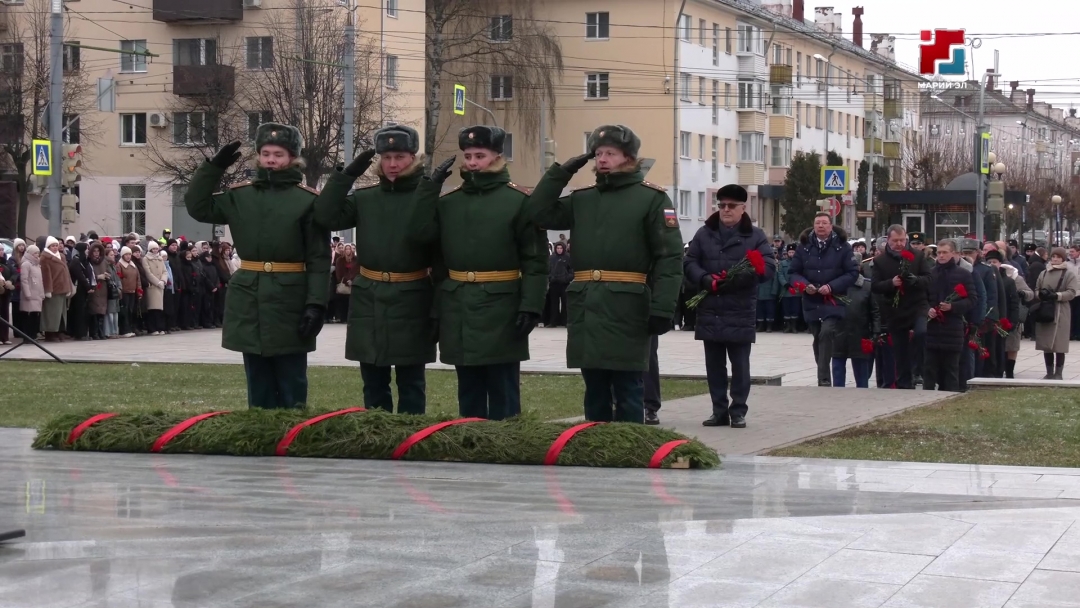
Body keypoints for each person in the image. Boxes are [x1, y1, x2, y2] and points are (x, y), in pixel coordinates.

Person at [526, 124, 683, 424]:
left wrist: (663, 307)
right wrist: (560, 173)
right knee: (594, 387)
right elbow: (537, 213)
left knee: (627, 386)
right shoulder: (582, 199)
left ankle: (630, 450)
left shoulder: (651, 199)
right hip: (588, 303)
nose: (602, 159)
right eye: (598, 153)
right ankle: (595, 450)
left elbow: (669, 258)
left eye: (610, 153)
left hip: (629, 305)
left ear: (629, 157)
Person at [186, 124, 331, 409]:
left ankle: (291, 434)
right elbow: (197, 206)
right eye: (265, 153)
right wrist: (213, 169)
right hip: (249, 295)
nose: (271, 160)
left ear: (293, 158)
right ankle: (260, 434)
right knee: (257, 378)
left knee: (292, 378)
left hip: (290, 297)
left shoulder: (307, 201)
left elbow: (318, 258)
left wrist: (316, 303)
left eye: (278, 154)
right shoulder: (240, 196)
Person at [410, 125, 547, 420]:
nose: (472, 162)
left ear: (498, 156)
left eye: (480, 155)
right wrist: (429, 188)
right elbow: (421, 236)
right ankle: (470, 441)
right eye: (468, 155)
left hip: (502, 306)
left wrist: (532, 306)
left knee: (503, 385)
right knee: (468, 384)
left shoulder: (519, 202)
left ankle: (508, 445)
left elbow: (535, 263)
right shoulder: (449, 202)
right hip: (459, 304)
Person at [314, 124, 439, 415]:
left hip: (412, 295)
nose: (392, 164)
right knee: (372, 380)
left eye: (400, 157)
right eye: (386, 157)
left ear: (413, 157)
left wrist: (437, 308)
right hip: (369, 295)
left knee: (411, 381)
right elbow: (325, 215)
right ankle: (377, 434)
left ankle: (409, 438)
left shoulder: (428, 197)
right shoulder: (366, 197)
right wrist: (345, 176)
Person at [683, 184, 774, 428]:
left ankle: (738, 411)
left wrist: (738, 278)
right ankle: (718, 410)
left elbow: (768, 268)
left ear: (743, 208)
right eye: (721, 205)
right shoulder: (705, 233)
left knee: (740, 366)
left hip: (739, 308)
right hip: (711, 307)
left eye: (731, 206)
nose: (725, 210)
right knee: (714, 366)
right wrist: (705, 279)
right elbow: (689, 262)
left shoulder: (755, 236)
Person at [789, 213, 859, 386]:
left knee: (827, 332)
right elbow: (793, 273)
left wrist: (832, 286)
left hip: (833, 299)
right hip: (811, 299)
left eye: (824, 223)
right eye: (817, 223)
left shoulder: (842, 246)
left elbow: (852, 273)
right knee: (817, 337)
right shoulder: (804, 246)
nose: (821, 226)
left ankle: (824, 379)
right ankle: (823, 372)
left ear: (830, 226)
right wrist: (805, 285)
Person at [869, 225, 931, 390]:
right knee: (900, 349)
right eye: (895, 240)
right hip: (895, 309)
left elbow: (929, 279)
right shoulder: (880, 261)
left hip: (917, 305)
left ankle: (920, 369)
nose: (899, 244)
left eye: (902, 240)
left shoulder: (917, 256)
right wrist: (891, 283)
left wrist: (915, 280)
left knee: (921, 332)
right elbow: (875, 286)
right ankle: (904, 383)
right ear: (888, 240)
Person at [924, 240, 976, 392]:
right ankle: (925, 400)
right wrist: (927, 309)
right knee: (929, 370)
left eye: (945, 252)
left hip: (953, 329)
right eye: (939, 252)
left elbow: (972, 299)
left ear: (954, 254)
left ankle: (950, 397)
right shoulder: (930, 273)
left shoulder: (964, 274)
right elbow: (921, 299)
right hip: (932, 329)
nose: (941, 255)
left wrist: (953, 307)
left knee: (951, 370)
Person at [832, 258, 880, 388]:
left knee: (861, 372)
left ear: (859, 267)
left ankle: (862, 395)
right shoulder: (834, 285)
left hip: (860, 333)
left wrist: (876, 331)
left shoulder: (867, 286)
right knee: (837, 367)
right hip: (838, 333)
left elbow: (875, 311)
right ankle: (838, 395)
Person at [1034, 247, 1079, 379]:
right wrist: (1041, 295)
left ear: (1063, 258)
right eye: (1053, 257)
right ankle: (1049, 372)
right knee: (1046, 344)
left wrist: (1056, 295)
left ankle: (1058, 372)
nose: (1055, 259)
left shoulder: (1069, 274)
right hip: (1045, 310)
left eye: (1058, 257)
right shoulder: (1043, 273)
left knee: (1059, 344)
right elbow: (1037, 288)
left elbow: (1072, 292)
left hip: (1061, 311)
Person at [985, 249, 1027, 378]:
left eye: (995, 262)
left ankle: (1006, 372)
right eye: (989, 262)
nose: (992, 264)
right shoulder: (985, 277)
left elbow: (1014, 303)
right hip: (989, 320)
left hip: (1005, 320)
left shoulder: (1008, 281)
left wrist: (1013, 321)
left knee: (1005, 348)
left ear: (1000, 263)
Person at [40, 237, 72, 342]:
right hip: (53, 289)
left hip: (62, 288)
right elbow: (46, 275)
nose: (55, 247)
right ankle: (50, 333)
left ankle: (60, 331)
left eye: (56, 245)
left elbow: (66, 273)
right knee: (51, 313)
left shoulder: (61, 256)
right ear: (48, 247)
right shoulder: (45, 257)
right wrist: (48, 289)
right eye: (52, 246)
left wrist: (68, 287)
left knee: (61, 313)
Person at [18, 245, 43, 340]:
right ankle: (27, 336)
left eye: (38, 253)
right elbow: (24, 280)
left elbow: (41, 280)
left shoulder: (37, 265)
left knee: (35, 316)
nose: (37, 255)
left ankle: (33, 335)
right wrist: (27, 293)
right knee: (28, 316)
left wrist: (42, 293)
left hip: (37, 294)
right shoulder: (26, 264)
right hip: (29, 294)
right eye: (35, 253)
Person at [545, 242, 572, 327]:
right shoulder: (551, 258)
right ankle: (553, 322)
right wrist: (550, 277)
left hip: (564, 284)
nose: (559, 250)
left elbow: (572, 270)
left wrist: (567, 278)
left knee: (565, 303)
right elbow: (547, 270)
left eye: (561, 248)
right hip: (554, 284)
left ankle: (565, 321)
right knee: (554, 304)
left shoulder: (568, 257)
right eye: (558, 248)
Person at [776, 243, 800, 333]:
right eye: (789, 252)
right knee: (786, 309)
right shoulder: (782, 263)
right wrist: (785, 284)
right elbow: (780, 274)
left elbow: (800, 274)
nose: (791, 254)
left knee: (795, 309)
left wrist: (796, 284)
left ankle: (794, 327)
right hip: (785, 290)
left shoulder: (798, 263)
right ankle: (787, 326)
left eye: (793, 252)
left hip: (796, 290)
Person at [756, 249, 780, 333]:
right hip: (759, 292)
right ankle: (760, 325)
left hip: (769, 292)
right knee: (760, 310)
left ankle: (769, 326)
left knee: (770, 310)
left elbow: (775, 280)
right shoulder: (757, 266)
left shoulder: (771, 266)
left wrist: (774, 291)